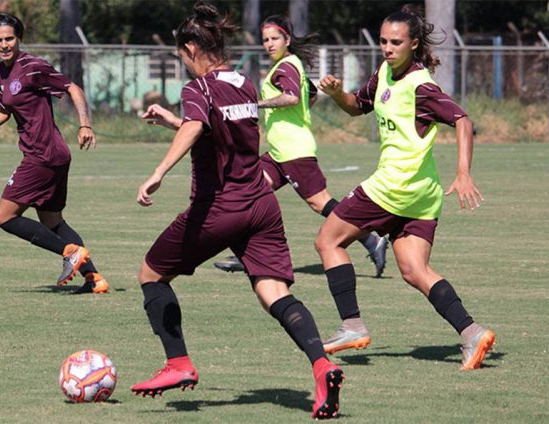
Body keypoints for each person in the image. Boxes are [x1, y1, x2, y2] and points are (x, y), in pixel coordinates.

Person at [132, 3, 342, 419]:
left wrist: (157, 172)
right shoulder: (244, 83)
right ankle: (322, 365)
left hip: (220, 208)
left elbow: (198, 126)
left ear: (192, 48)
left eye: (181, 54)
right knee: (274, 293)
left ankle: (178, 363)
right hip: (261, 205)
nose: (182, 63)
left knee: (150, 275)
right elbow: (219, 130)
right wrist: (175, 121)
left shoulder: (199, 88)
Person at [315, 5, 496, 368]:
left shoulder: (420, 85)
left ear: (414, 44)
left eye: (395, 42)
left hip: (392, 187)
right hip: (421, 194)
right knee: (415, 270)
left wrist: (463, 172)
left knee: (327, 241)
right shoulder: (384, 72)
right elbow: (356, 106)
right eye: (383, 41)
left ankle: (351, 325)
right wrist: (337, 95)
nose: (387, 48)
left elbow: (462, 119)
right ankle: (472, 333)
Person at [0, 7, 108, 295]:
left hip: (42, 156)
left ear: (18, 38)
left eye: (9, 38)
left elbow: (73, 88)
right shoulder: (0, 74)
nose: (4, 45)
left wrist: (85, 125)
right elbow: (1, 111)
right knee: (53, 221)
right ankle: (94, 279)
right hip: (51, 156)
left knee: (5, 217)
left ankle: (69, 252)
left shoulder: (33, 66)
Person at [213, 15, 389, 277]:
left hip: (294, 152)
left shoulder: (285, 66)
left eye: (275, 38)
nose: (269, 44)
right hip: (279, 152)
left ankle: (370, 239)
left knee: (321, 204)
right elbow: (311, 95)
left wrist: (255, 105)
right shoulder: (288, 65)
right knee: (248, 193)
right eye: (265, 40)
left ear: (287, 40)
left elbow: (293, 97)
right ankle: (250, 255)